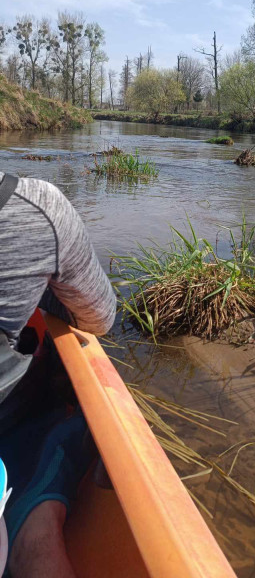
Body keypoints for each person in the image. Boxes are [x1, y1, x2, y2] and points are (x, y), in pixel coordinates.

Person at [0, 172, 116, 578]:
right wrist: (43, 282)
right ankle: (35, 523)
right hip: (12, 422)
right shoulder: (36, 209)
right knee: (78, 419)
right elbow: (99, 317)